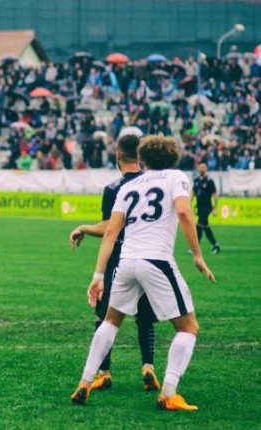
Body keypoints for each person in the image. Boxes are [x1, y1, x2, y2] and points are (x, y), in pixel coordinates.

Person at [71, 136, 216, 411]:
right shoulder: (176, 177)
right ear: (174, 158)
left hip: (126, 262)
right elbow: (184, 212)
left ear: (142, 160)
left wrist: (98, 275)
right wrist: (197, 255)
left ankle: (85, 381)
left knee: (111, 321)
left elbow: (111, 232)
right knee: (188, 328)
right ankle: (169, 394)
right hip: (156, 259)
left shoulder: (130, 185)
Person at [69, 134, 160, 392]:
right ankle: (148, 367)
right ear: (140, 156)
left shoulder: (114, 188)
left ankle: (104, 372)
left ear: (117, 155)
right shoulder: (153, 184)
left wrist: (84, 228)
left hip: (120, 257)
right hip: (150, 256)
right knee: (145, 318)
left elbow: (110, 228)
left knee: (105, 317)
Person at [192, 163, 220, 254]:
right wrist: (189, 203)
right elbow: (193, 193)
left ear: (206, 169)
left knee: (199, 225)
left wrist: (215, 208)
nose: (201, 169)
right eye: (200, 167)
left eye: (203, 167)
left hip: (207, 207)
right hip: (199, 207)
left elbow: (215, 194)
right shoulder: (196, 180)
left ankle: (196, 248)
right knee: (205, 226)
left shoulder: (209, 181)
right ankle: (215, 245)